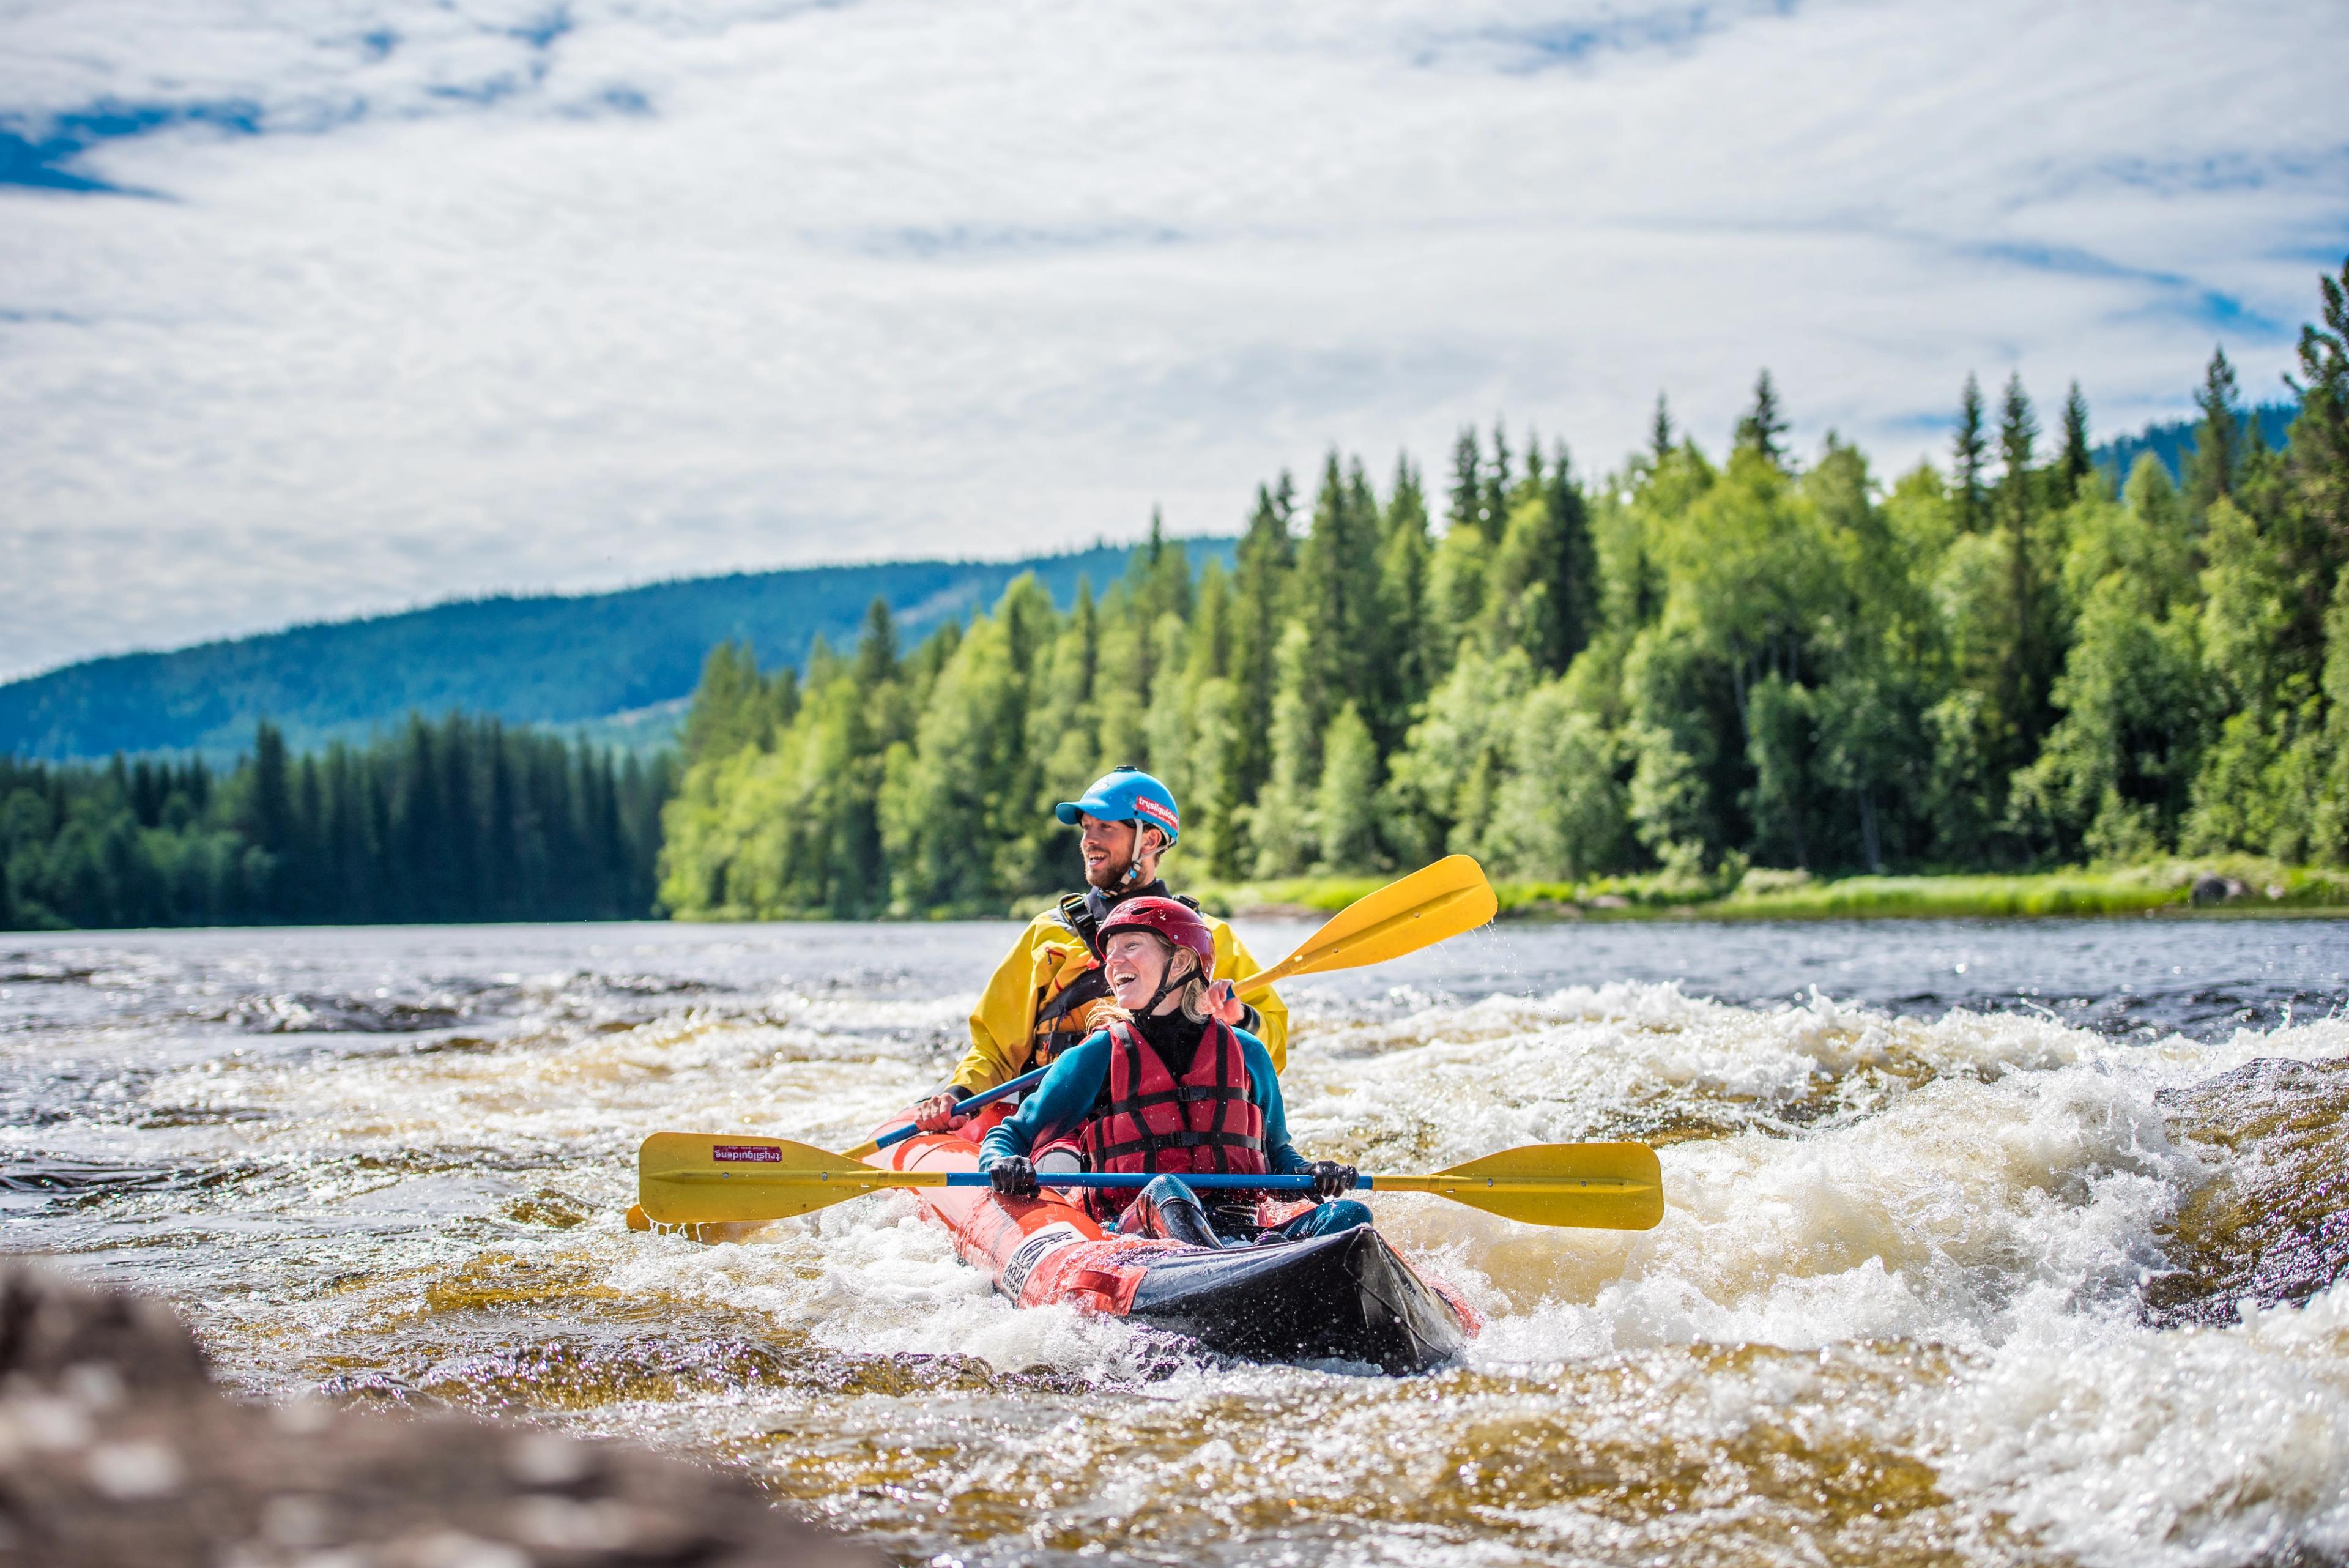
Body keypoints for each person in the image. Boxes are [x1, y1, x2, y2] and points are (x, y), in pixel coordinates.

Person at [908, 766, 1289, 1132]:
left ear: (1150, 840)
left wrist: (1240, 1019)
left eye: (1106, 827)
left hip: (1176, 1125)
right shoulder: (1050, 935)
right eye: (1087, 827)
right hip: (1067, 1126)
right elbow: (995, 1047)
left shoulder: (1207, 937)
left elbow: (1272, 1048)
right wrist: (959, 1094)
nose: (1089, 839)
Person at [974, 896, 1367, 1246]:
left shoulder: (1248, 1053)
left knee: (1350, 1217)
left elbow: (1279, 1154)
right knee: (1168, 1189)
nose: (1113, 962)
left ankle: (1242, 1268)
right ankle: (1224, 1274)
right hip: (1137, 1231)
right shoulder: (1098, 1055)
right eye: (1110, 952)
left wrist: (1313, 1174)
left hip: (1240, 1234)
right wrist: (1001, 1163)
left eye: (1131, 947)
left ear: (1180, 962)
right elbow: (1013, 1135)